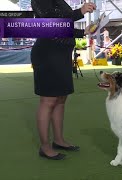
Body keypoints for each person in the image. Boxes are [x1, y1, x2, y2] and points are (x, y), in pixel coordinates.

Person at [31, 0, 96, 160]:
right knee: (48, 101)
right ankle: (45, 147)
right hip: (48, 54)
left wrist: (83, 32)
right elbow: (53, 21)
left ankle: (58, 140)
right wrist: (80, 11)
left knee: (60, 99)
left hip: (62, 54)